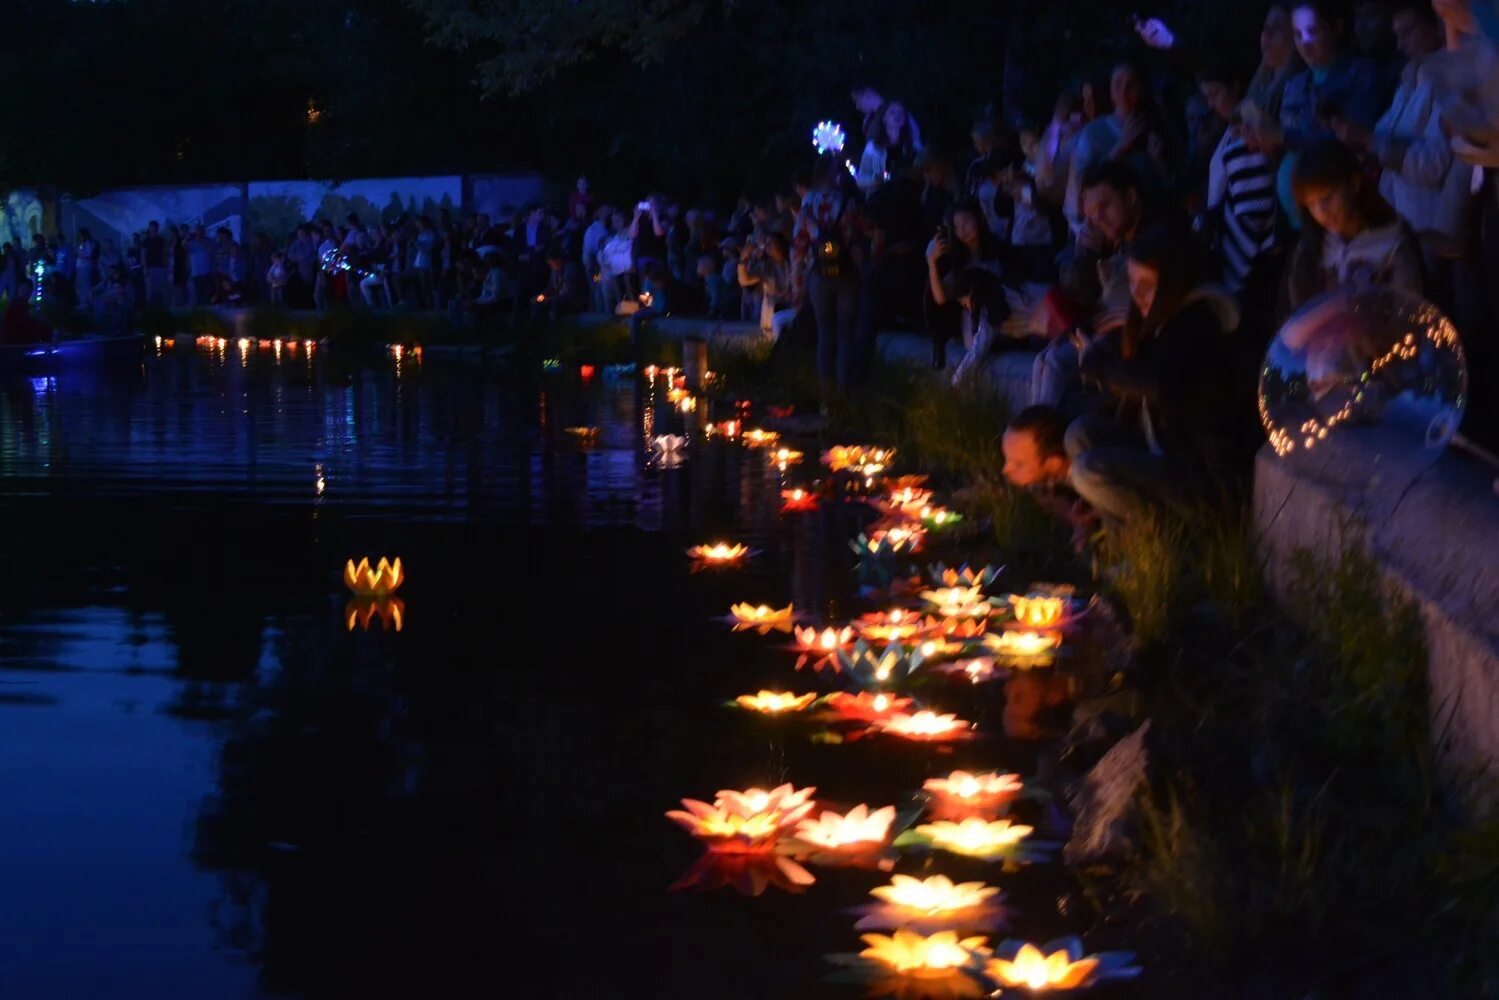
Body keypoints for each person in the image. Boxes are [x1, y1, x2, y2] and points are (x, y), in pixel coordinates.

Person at [1066, 226, 1244, 526]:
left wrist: (1099, 366)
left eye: (1148, 284)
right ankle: (1120, 544)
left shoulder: (1201, 323)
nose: (1137, 294)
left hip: (1203, 480)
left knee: (1090, 470)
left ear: (1174, 281)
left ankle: (1164, 549)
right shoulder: (1158, 322)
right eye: (1132, 282)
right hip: (1162, 451)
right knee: (1081, 433)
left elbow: (1156, 384)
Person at [1338, 0, 1472, 309]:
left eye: (1409, 31)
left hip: (1431, 234)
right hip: (1403, 233)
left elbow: (1434, 164)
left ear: (1437, 25)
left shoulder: (1447, 82)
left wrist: (1372, 142)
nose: (1401, 44)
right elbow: (1385, 139)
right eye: (1397, 35)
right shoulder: (1412, 79)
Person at [1286, 138, 1424, 307]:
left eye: (1327, 197)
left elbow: (1411, 310)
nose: (1321, 212)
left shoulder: (1392, 242)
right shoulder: (1311, 248)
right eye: (1311, 204)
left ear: (1353, 184)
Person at [1199, 61, 1279, 298]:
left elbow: (1253, 211)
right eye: (1207, 97)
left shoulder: (1246, 133)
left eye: (1215, 94)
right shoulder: (1231, 131)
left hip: (1248, 262)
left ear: (1235, 86)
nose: (1211, 105)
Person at [793, 158, 863, 399]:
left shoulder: (807, 204)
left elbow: (798, 245)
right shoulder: (847, 202)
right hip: (845, 274)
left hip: (818, 275)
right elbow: (860, 234)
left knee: (825, 334)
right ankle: (845, 396)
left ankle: (825, 397)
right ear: (831, 175)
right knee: (845, 335)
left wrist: (797, 284)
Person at [925, 200, 1005, 367]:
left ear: (979, 219)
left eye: (967, 222)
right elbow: (940, 298)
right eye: (957, 227)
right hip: (974, 317)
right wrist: (932, 263)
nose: (963, 230)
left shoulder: (997, 247)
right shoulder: (958, 260)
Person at [949, 268, 1011, 385]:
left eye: (964, 302)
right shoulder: (998, 291)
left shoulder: (991, 305)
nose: (967, 307)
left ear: (971, 292)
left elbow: (978, 350)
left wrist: (956, 380)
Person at [142, 221, 167, 307]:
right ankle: (150, 310)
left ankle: (161, 308)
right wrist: (145, 268)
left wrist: (165, 267)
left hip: (160, 267)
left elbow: (163, 254)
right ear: (149, 229)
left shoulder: (161, 240)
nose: (153, 230)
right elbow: (143, 254)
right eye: (151, 228)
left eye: (155, 228)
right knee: (150, 290)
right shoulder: (146, 240)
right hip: (150, 267)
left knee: (160, 289)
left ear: (157, 229)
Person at [75, 228, 99, 308]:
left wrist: (79, 253)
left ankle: (86, 302)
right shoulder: (82, 243)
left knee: (86, 284)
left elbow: (88, 254)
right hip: (80, 266)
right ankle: (82, 301)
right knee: (81, 284)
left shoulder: (90, 243)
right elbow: (79, 251)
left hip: (86, 266)